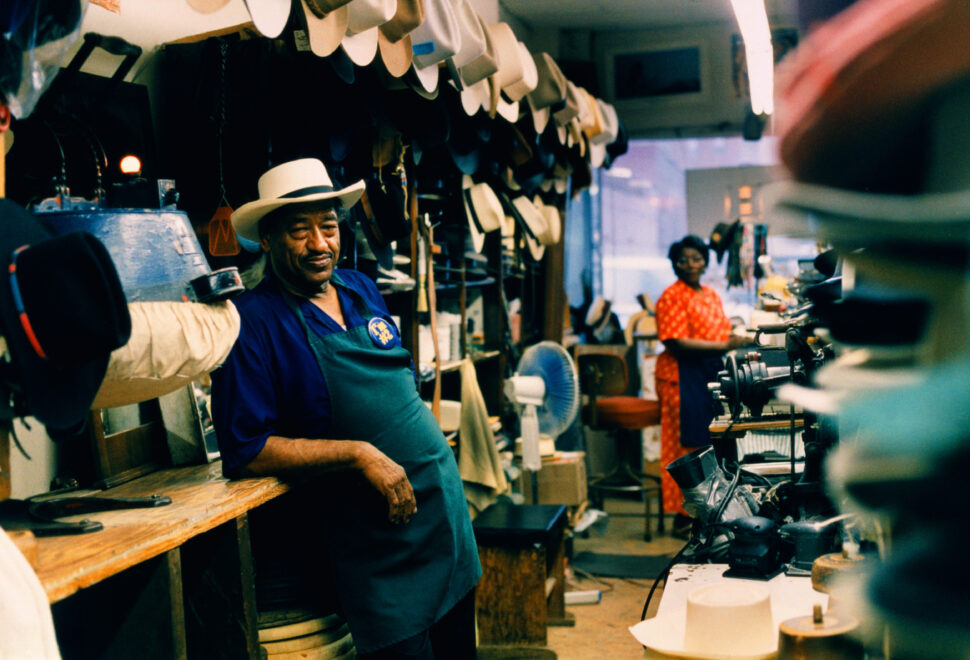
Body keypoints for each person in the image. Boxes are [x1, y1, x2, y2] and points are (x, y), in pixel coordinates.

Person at [211, 158, 481, 660]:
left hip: (444, 522)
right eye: (299, 231)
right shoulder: (252, 323)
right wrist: (359, 453)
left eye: (328, 226)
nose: (319, 244)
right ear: (266, 240)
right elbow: (245, 449)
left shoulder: (361, 288)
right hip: (378, 544)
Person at [654, 235, 748, 538]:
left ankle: (709, 511)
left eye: (696, 258)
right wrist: (725, 343)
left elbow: (718, 329)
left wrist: (732, 332)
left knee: (709, 443)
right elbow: (677, 343)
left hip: (706, 372)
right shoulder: (671, 296)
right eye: (683, 259)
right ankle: (684, 516)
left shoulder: (709, 293)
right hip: (681, 377)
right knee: (685, 448)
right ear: (673, 264)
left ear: (705, 261)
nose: (690, 264)